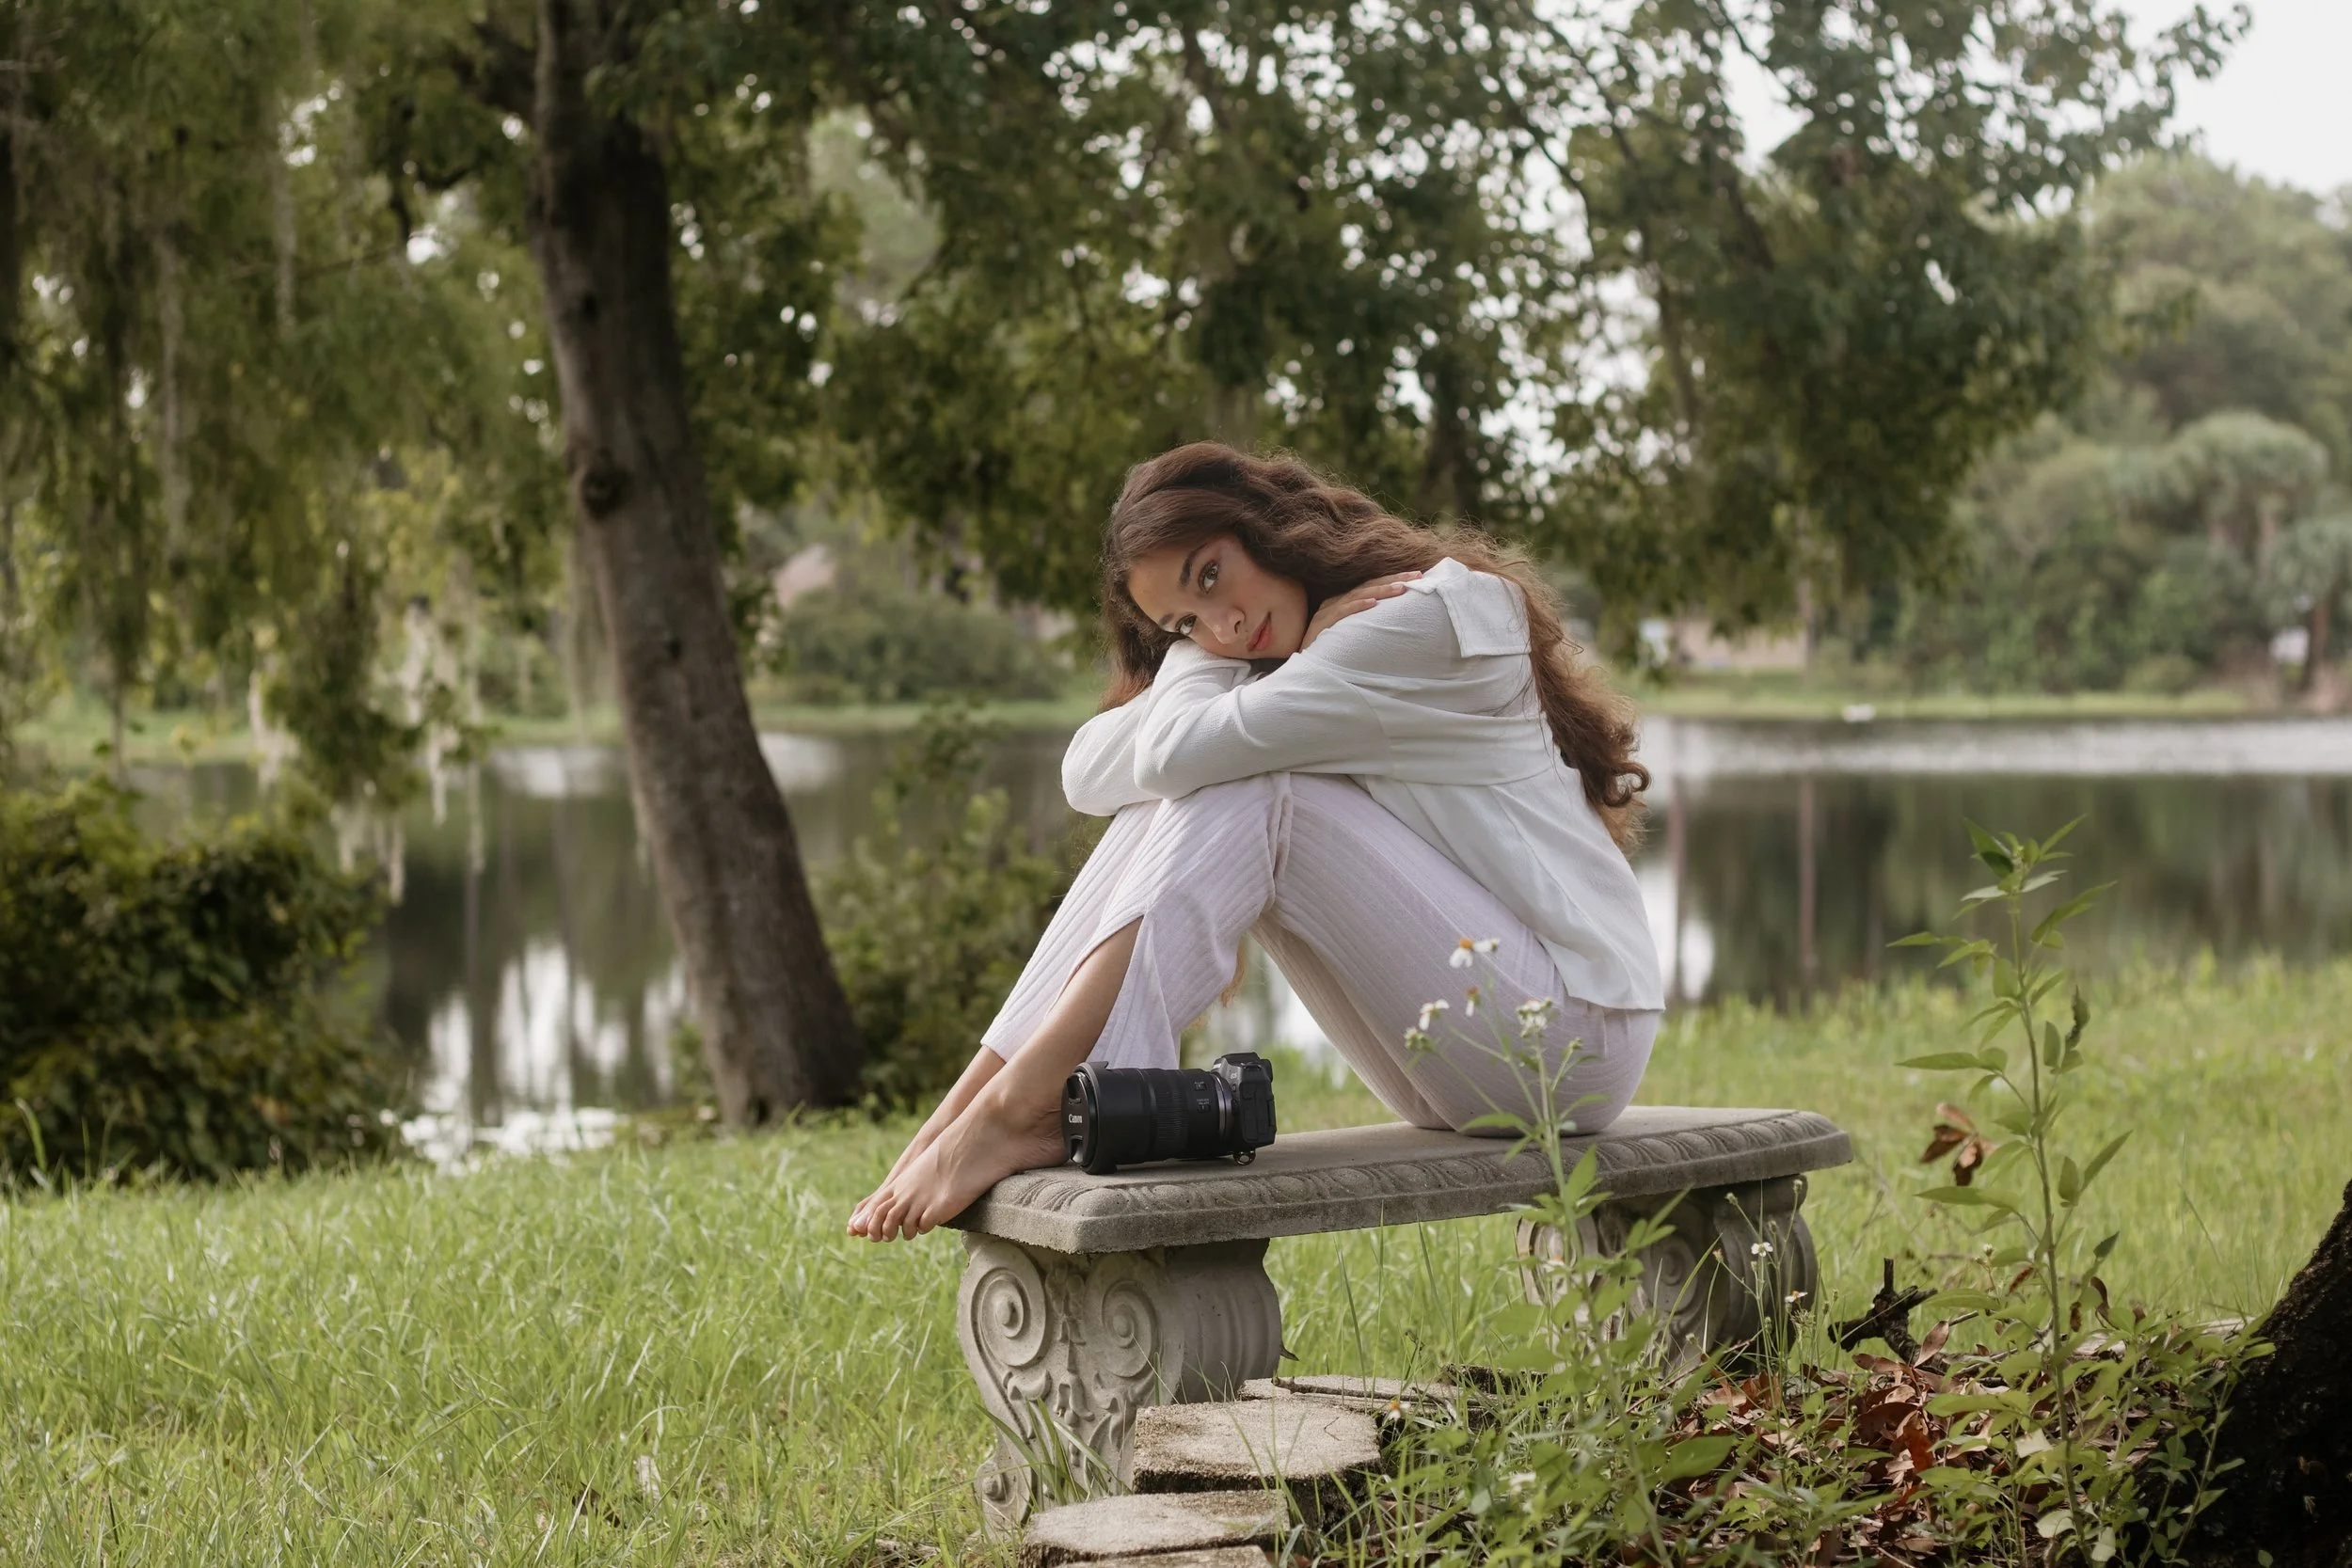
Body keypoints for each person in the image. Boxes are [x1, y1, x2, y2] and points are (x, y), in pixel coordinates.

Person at [848, 442, 1661, 1243]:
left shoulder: (1433, 614)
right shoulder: (1298, 655)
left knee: (1247, 781)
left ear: (1267, 525)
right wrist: (1234, 656)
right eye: (1185, 624)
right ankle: (979, 1101)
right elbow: (1085, 772)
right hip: (1453, 1057)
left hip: (1571, 1038)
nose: (1225, 625)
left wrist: (1208, 659)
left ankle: (1034, 1096)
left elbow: (1169, 753)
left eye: (1211, 575)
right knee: (1178, 796)